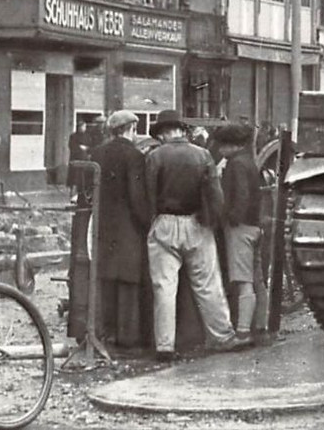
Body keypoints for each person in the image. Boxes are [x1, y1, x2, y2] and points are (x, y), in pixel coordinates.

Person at [144, 108, 242, 360]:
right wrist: (213, 221)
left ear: (164, 134)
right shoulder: (203, 155)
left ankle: (165, 346)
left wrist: (153, 220)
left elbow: (149, 194)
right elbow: (215, 195)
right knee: (208, 283)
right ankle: (221, 336)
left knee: (164, 287)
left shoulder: (155, 157)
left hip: (165, 222)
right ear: (182, 130)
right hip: (197, 224)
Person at [65, 110, 150, 370]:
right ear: (131, 128)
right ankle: (126, 338)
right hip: (127, 226)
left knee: (105, 277)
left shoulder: (98, 153)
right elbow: (136, 196)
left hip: (102, 223)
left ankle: (106, 331)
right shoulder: (135, 156)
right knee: (128, 279)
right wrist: (146, 221)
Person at [212, 122, 265, 343]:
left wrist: (232, 217)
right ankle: (261, 324)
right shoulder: (249, 161)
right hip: (254, 226)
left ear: (231, 145)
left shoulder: (236, 165)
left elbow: (241, 194)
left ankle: (243, 331)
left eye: (222, 146)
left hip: (240, 228)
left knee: (243, 280)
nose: (220, 151)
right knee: (257, 278)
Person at [67, 117, 99, 201]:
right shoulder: (73, 136)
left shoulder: (87, 136)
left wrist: (87, 149)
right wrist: (79, 148)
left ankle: (81, 195)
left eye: (84, 126)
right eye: (81, 126)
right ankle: (72, 195)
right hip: (76, 159)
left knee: (83, 179)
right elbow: (71, 146)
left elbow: (91, 146)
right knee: (74, 179)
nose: (83, 128)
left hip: (85, 161)